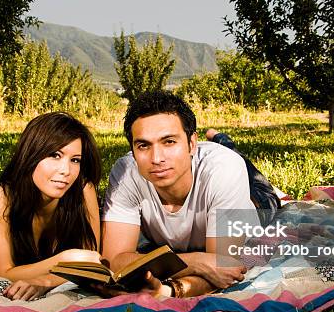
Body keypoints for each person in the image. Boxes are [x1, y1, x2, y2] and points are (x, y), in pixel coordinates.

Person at [101, 91, 280, 298]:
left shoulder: (224, 168)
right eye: (143, 145)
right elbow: (114, 260)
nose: (156, 158)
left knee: (258, 183)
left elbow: (223, 266)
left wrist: (168, 285)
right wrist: (196, 261)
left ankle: (222, 140)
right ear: (133, 151)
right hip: (209, 171)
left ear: (191, 143)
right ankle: (218, 140)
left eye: (169, 142)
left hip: (256, 203)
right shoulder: (126, 173)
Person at [0, 112, 103, 301]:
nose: (66, 171)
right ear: (31, 153)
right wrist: (66, 259)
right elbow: (3, 273)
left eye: (75, 160)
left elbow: (91, 264)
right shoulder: (0, 196)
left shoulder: (83, 190)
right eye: (55, 155)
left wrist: (45, 282)